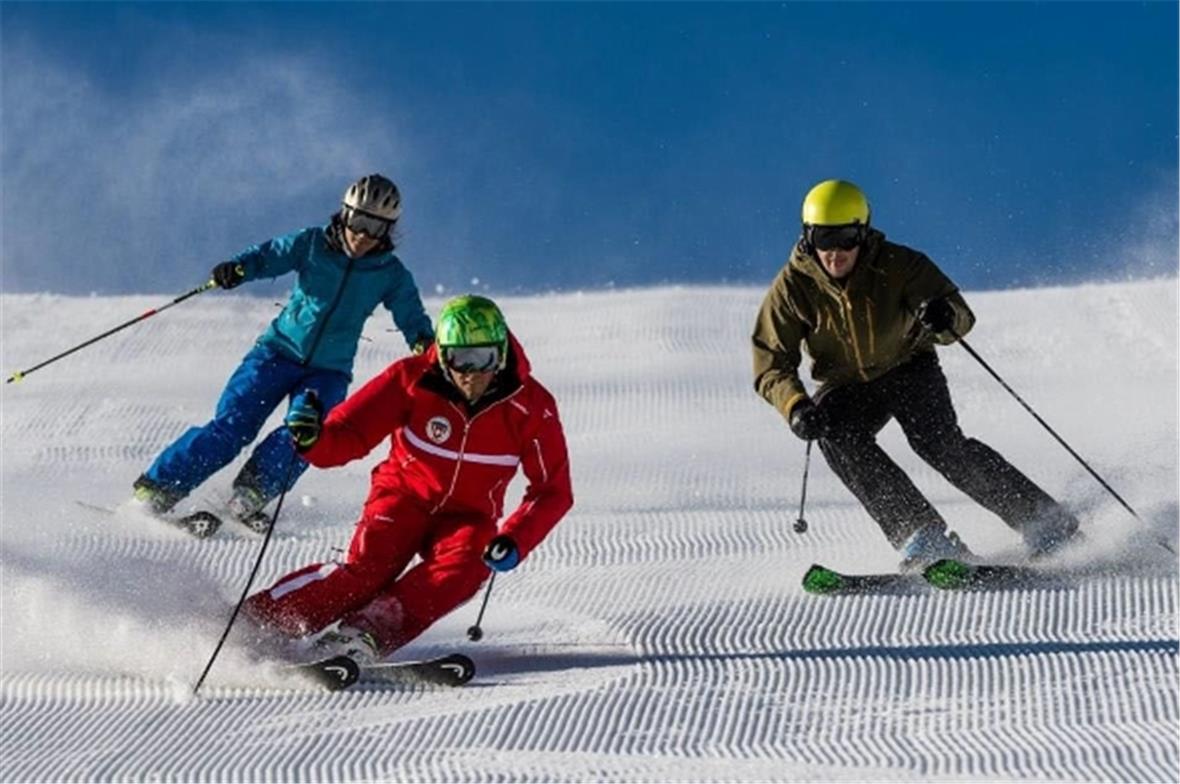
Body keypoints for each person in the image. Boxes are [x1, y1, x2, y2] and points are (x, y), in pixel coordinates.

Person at [752, 179, 1079, 569]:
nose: (835, 252)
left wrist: (943, 317)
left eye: (846, 237)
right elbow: (771, 360)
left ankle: (1044, 522)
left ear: (863, 231)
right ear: (808, 237)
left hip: (908, 367)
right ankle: (922, 537)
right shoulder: (792, 287)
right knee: (835, 434)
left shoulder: (901, 265)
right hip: (847, 384)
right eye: (824, 237)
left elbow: (960, 315)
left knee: (939, 444)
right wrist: (795, 405)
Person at [243, 294, 573, 661]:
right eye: (459, 359)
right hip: (403, 497)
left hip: (468, 516)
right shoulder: (411, 380)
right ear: (442, 355)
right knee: (370, 568)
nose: (471, 373)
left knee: (466, 566)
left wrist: (515, 538)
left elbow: (552, 490)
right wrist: (312, 438)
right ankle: (258, 624)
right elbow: (349, 434)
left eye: (483, 359)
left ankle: (362, 635)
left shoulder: (531, 407)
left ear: (502, 354)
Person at [132, 174, 434, 529]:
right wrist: (238, 268)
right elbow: (269, 256)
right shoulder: (312, 244)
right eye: (359, 221)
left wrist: (425, 347)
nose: (364, 234)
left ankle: (251, 493)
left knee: (306, 432)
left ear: (388, 230)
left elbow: (411, 315)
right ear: (345, 214)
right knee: (232, 427)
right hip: (276, 353)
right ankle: (157, 490)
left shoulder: (390, 273)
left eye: (377, 226)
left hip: (328, 370)